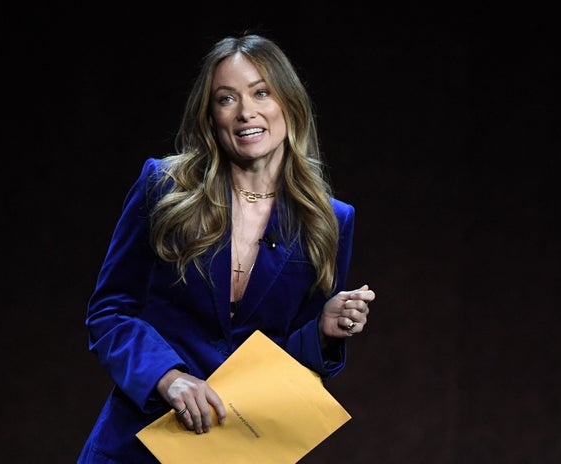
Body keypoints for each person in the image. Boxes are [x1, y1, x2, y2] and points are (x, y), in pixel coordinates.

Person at [77, 33, 375, 463]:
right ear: (211, 115)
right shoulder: (163, 187)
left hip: (237, 451)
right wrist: (168, 378)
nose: (246, 113)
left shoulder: (329, 219)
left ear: (288, 104)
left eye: (261, 93)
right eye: (226, 99)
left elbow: (290, 369)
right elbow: (109, 310)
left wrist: (322, 333)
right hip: (136, 445)